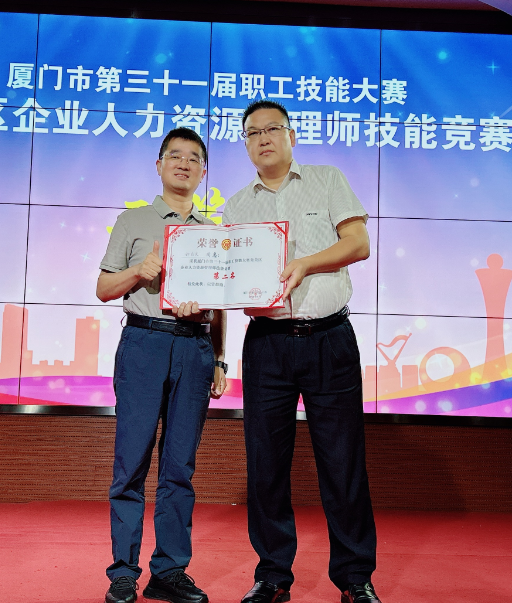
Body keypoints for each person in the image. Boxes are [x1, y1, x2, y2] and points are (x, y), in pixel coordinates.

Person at [221, 100, 380, 603]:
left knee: (342, 460)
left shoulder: (327, 180)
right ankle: (272, 576)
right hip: (267, 344)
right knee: (265, 464)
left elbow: (358, 243)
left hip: (329, 338)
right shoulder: (236, 207)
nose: (263, 138)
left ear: (291, 136)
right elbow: (230, 278)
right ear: (246, 145)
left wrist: (306, 264)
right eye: (252, 133)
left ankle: (355, 578)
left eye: (272, 129)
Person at [96, 127, 228, 603]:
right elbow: (103, 289)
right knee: (131, 461)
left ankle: (169, 571)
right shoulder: (132, 221)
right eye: (175, 155)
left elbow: (220, 306)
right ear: (159, 165)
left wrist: (219, 358)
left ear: (203, 172)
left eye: (194, 158)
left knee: (179, 467)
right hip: (144, 343)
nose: (184, 164)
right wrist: (138, 271)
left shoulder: (213, 235)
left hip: (194, 348)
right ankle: (123, 572)